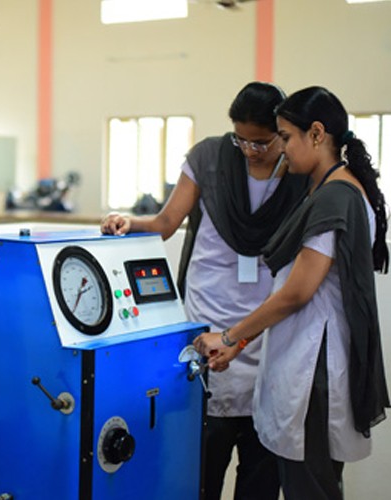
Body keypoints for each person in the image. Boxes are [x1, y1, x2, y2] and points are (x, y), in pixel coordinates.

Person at [101, 82, 310, 499]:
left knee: (260, 476)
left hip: (267, 329)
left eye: (263, 142)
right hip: (208, 320)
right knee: (198, 473)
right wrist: (129, 222)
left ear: (282, 133)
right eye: (242, 139)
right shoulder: (210, 158)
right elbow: (166, 222)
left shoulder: (299, 174)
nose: (251, 150)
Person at [194, 86, 390, 500]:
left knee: (310, 488)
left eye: (285, 136)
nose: (280, 149)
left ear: (316, 134)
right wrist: (240, 341)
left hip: (313, 369)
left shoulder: (336, 195)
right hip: (305, 360)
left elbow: (297, 292)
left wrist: (230, 336)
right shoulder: (330, 189)